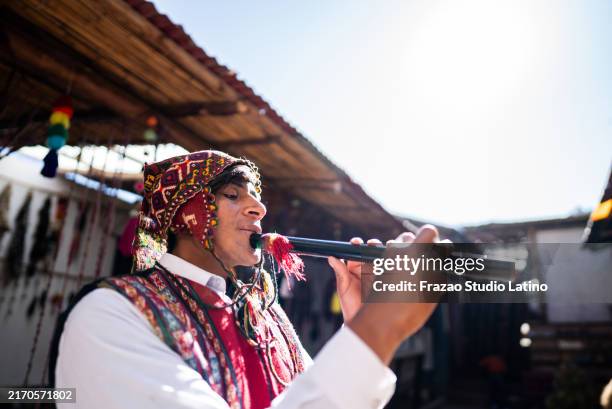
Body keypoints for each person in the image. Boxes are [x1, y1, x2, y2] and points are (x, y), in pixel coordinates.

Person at [50, 150, 439, 409]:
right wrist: (376, 332)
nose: (259, 207)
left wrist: (359, 324)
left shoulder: (267, 317)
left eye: (254, 196)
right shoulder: (111, 315)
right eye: (233, 195)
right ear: (184, 215)